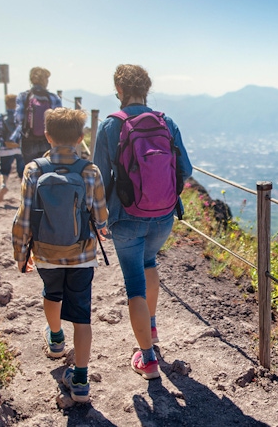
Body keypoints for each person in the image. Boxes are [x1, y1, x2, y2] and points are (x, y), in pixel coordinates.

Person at [94, 64, 192, 380]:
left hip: (127, 217)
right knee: (150, 262)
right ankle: (150, 325)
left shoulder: (110, 126)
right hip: (164, 216)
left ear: (119, 90)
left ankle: (148, 360)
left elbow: (97, 178)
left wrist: (100, 216)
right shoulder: (166, 122)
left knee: (134, 283)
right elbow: (186, 170)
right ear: (146, 89)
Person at [12, 107, 108, 402]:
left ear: (47, 135)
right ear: (81, 137)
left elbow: (24, 216)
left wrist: (21, 252)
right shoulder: (90, 171)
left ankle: (55, 340)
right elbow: (102, 218)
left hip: (46, 252)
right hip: (81, 255)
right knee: (81, 315)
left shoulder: (34, 169)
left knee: (51, 293)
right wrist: (100, 228)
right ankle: (80, 380)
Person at [10, 66, 62, 162]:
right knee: (47, 169)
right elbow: (59, 121)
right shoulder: (54, 98)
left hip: (28, 139)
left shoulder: (23, 96)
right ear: (45, 81)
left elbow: (18, 118)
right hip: (48, 140)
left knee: (30, 169)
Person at [0, 94, 25, 202]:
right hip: (20, 148)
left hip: (5, 149)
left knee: (4, 170)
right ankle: (24, 193)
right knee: (22, 171)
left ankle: (3, 186)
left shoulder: (0, 117)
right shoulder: (21, 117)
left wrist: (4, 142)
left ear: (6, 103)